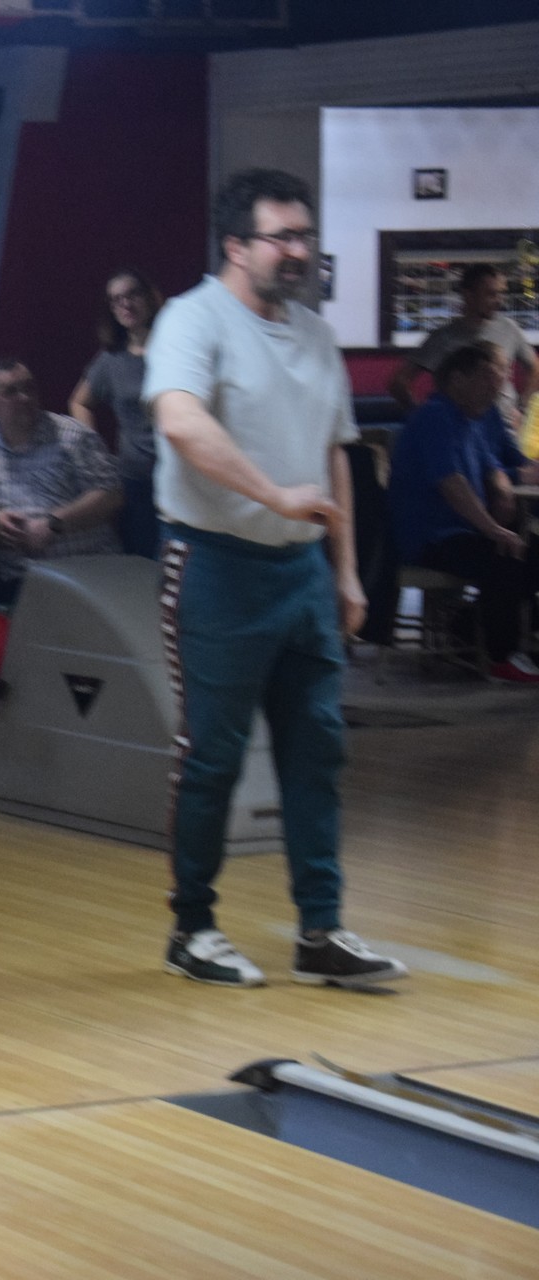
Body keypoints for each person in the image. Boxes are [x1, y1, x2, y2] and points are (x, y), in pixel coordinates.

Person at [146, 167, 407, 990]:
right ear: (236, 245)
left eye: (305, 237)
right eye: (282, 237)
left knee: (317, 752)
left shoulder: (318, 336)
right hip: (214, 566)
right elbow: (181, 423)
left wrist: (347, 572)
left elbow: (335, 454)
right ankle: (193, 929)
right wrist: (274, 495)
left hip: (302, 574)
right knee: (213, 757)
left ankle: (320, 930)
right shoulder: (192, 319)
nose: (299, 251)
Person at [389, 341, 539, 683]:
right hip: (431, 538)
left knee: (530, 556)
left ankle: (470, 630)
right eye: (487, 378)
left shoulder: (471, 419)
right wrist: (494, 529)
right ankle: (500, 657)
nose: (497, 387)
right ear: (457, 379)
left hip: (461, 532)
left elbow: (494, 467)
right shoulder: (435, 416)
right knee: (506, 558)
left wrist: (501, 485)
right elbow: (452, 485)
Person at [0, 357, 122, 603]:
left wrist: (53, 524)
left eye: (29, 388)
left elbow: (111, 495)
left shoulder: (73, 436)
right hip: (13, 578)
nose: (24, 398)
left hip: (84, 577)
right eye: (11, 392)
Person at [69, 269, 165, 556]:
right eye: (116, 300)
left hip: (182, 476)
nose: (126, 304)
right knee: (143, 565)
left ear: (149, 298)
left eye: (132, 295)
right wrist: (96, 451)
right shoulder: (111, 360)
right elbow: (79, 402)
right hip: (136, 482)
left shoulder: (176, 347)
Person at [389, 263, 539, 434]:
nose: (499, 301)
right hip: (458, 430)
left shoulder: (509, 328)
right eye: (491, 294)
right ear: (469, 295)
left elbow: (535, 368)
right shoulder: (442, 337)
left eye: (501, 293)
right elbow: (398, 382)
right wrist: (422, 417)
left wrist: (522, 408)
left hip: (504, 427)